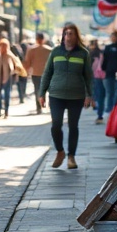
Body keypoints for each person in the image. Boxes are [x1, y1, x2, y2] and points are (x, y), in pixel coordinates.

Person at [38, 23, 93, 169]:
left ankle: (71, 157)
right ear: (63, 36)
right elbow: (47, 72)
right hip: (56, 94)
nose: (68, 37)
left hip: (76, 96)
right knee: (56, 125)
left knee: (73, 126)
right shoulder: (55, 52)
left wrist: (89, 95)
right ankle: (60, 151)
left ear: (76, 36)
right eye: (66, 34)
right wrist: (41, 93)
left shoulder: (83, 53)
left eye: (71, 34)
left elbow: (88, 77)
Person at [0, 38, 21, 119]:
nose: (3, 47)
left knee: (7, 95)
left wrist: (15, 74)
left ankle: (6, 110)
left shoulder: (10, 56)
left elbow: (17, 66)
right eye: (1, 46)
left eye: (5, 46)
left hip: (8, 78)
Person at [23, 32, 52, 114]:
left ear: (36, 39)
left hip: (36, 73)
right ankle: (49, 105)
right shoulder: (49, 50)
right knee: (49, 90)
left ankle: (39, 107)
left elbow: (27, 62)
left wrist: (26, 70)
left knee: (38, 90)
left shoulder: (32, 50)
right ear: (43, 39)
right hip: (47, 73)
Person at [100, 30, 117, 115]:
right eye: (112, 36)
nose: (113, 38)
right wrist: (103, 68)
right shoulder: (108, 48)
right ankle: (109, 110)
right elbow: (105, 60)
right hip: (109, 73)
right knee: (109, 92)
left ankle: (116, 111)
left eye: (114, 36)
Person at [89, 39, 106, 123]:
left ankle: (97, 110)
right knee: (101, 95)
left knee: (96, 94)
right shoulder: (101, 52)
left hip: (95, 76)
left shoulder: (91, 54)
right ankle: (100, 113)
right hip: (101, 75)